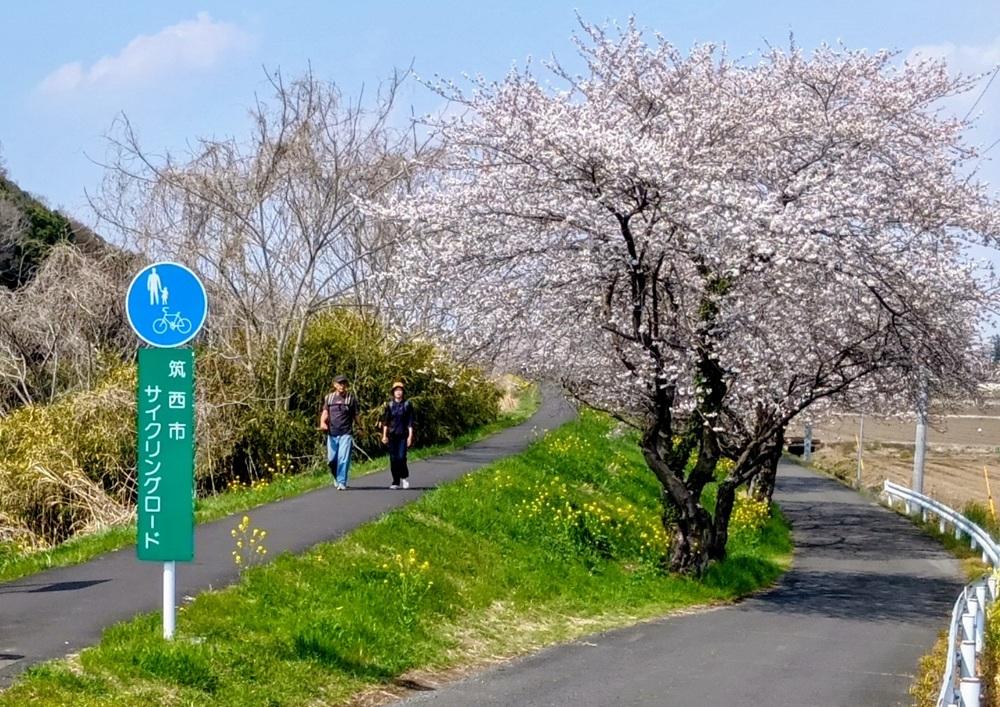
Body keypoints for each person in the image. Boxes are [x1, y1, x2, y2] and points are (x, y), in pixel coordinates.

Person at [320, 374, 359, 490]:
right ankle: (336, 477)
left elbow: (356, 415)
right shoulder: (329, 398)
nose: (342, 386)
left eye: (344, 383)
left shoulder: (350, 398)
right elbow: (325, 412)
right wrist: (322, 423)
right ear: (335, 385)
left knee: (343, 458)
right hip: (332, 433)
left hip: (346, 433)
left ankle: (342, 482)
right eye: (339, 383)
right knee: (331, 460)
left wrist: (361, 427)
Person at [381, 381, 415, 489]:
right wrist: (384, 436)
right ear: (393, 392)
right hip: (392, 435)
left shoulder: (407, 405)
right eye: (396, 390)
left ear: (403, 392)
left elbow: (410, 422)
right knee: (393, 459)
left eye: (400, 390)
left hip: (403, 435)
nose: (398, 392)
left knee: (401, 458)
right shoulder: (390, 405)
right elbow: (386, 422)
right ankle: (395, 481)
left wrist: (410, 436)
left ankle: (404, 477)